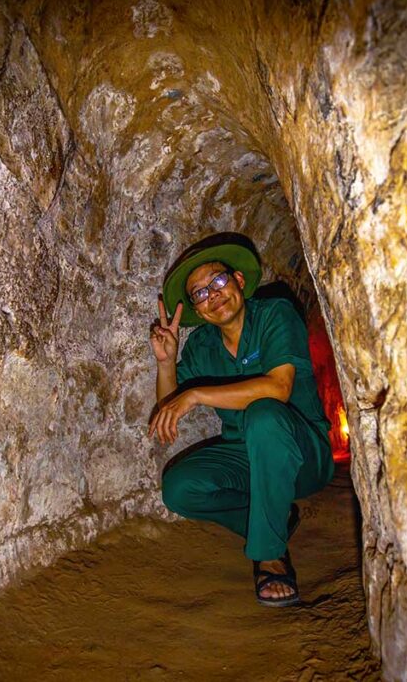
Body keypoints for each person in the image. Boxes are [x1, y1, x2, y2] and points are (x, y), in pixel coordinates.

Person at [148, 235, 334, 607]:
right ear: (199, 312)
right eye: (200, 294)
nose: (212, 295)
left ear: (239, 281)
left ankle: (270, 555)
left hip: (303, 453)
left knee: (264, 415)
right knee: (179, 487)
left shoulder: (275, 315)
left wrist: (197, 394)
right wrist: (166, 362)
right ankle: (272, 520)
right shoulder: (203, 345)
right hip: (245, 453)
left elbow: (278, 388)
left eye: (217, 282)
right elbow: (169, 403)